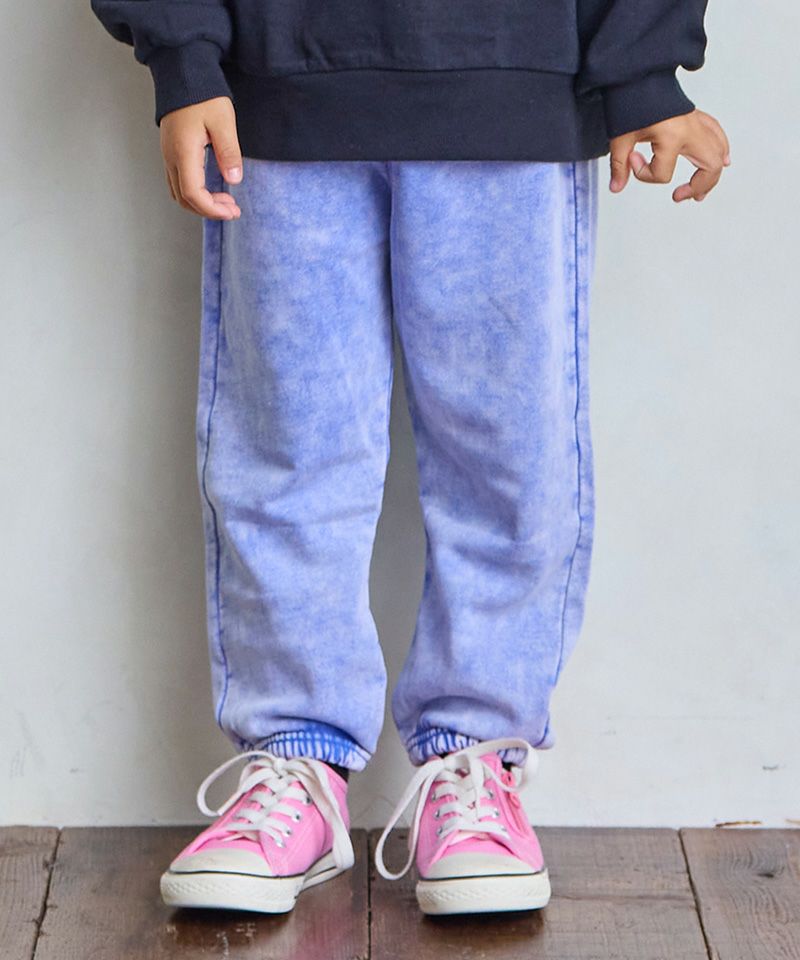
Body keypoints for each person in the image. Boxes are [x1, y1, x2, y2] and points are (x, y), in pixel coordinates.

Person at [90, 0, 729, 917]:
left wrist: (642, 61)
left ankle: (476, 760)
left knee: (508, 461)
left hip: (516, 81)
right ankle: (295, 761)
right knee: (286, 453)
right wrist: (184, 52)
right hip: (277, 86)